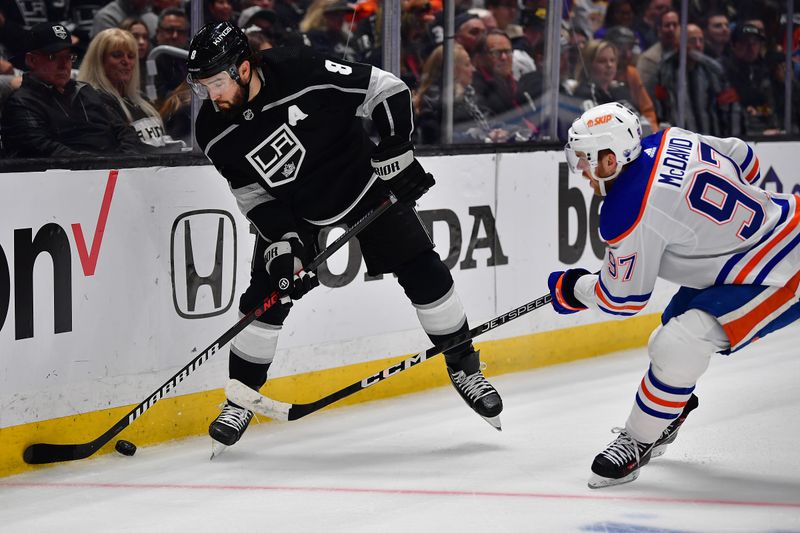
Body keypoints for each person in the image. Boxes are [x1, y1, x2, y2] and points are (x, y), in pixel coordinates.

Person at [186, 22, 504, 451]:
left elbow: (384, 88)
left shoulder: (300, 70)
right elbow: (252, 193)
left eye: (218, 83)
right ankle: (240, 397)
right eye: (204, 87)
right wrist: (283, 244)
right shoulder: (212, 129)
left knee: (423, 268)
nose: (213, 95)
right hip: (292, 208)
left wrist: (396, 150)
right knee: (266, 297)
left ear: (243, 69)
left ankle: (465, 366)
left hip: (359, 182)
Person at [548, 101, 800, 488]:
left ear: (612, 159)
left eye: (586, 159)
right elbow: (743, 156)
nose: (580, 169)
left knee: (679, 344)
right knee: (668, 336)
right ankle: (667, 414)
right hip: (778, 229)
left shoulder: (627, 207)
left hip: (782, 271)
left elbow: (623, 299)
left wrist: (574, 289)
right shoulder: (672, 138)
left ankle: (638, 440)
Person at [1, 22, 145, 157]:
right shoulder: (21, 103)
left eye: (69, 56)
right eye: (54, 57)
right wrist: (104, 166)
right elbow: (44, 150)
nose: (64, 65)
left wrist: (125, 163)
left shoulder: (87, 91)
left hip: (114, 174)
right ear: (32, 60)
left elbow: (125, 133)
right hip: (64, 180)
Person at [77, 28, 176, 149]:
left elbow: (159, 140)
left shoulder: (141, 100)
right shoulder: (94, 103)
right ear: (99, 60)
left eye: (131, 56)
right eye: (117, 55)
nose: (126, 61)